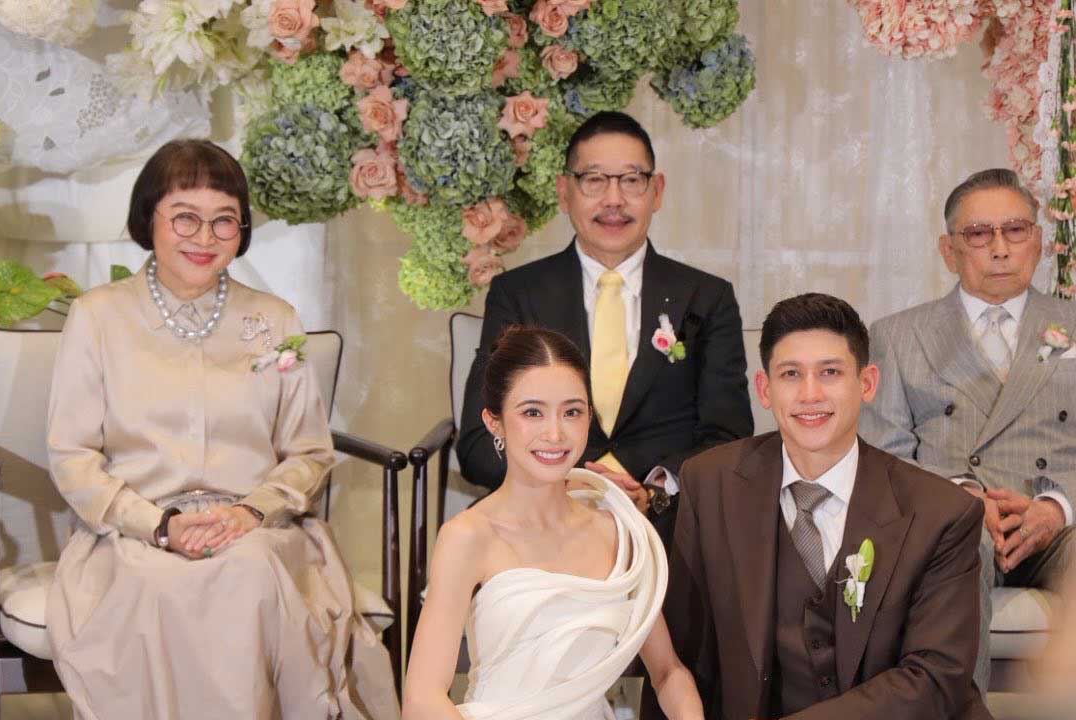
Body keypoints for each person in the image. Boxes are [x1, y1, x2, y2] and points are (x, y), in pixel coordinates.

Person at [44, 139, 399, 720]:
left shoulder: (275, 319)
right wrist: (159, 526)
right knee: (162, 586)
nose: (204, 238)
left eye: (224, 221)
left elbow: (308, 451)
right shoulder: (97, 317)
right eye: (185, 217)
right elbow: (72, 454)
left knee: (249, 570)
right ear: (148, 219)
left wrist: (250, 512)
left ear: (242, 230)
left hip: (256, 529)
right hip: (135, 535)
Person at [648, 293, 990, 720]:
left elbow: (934, 679)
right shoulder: (710, 482)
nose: (810, 394)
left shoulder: (941, 512)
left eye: (830, 372)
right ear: (765, 389)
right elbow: (682, 656)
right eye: (791, 374)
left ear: (867, 384)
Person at [457, 111, 753, 549]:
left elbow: (728, 437)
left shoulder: (706, 297)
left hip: (666, 529)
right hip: (539, 525)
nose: (614, 199)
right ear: (564, 192)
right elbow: (479, 442)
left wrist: (653, 490)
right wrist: (567, 484)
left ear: (657, 191)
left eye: (631, 180)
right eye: (594, 180)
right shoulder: (518, 294)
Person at [403, 326, 703, 719]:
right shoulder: (468, 537)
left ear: (589, 417)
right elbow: (422, 698)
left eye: (572, 412)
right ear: (494, 422)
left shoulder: (618, 531)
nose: (555, 434)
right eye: (532, 412)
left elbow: (668, 673)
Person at [860, 168, 1076, 692]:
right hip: (952, 518)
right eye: (979, 234)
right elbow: (880, 455)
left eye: (1015, 230)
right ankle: (961, 709)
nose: (999, 249)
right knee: (962, 542)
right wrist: (959, 496)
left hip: (1059, 522)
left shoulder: (1071, 324)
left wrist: (1057, 507)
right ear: (948, 250)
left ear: (1037, 241)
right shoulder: (897, 336)